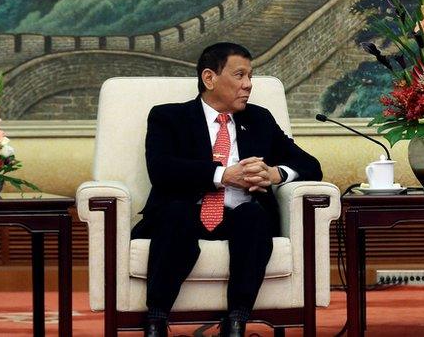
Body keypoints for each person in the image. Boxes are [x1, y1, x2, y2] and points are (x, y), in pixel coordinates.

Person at [131, 42, 322, 337]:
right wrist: (222, 175)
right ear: (209, 78)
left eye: (250, 76)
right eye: (239, 75)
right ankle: (156, 319)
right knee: (177, 213)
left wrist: (275, 174)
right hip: (186, 214)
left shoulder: (259, 119)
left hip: (238, 217)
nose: (248, 85)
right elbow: (161, 169)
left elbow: (310, 165)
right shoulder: (168, 117)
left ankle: (236, 321)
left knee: (254, 216)